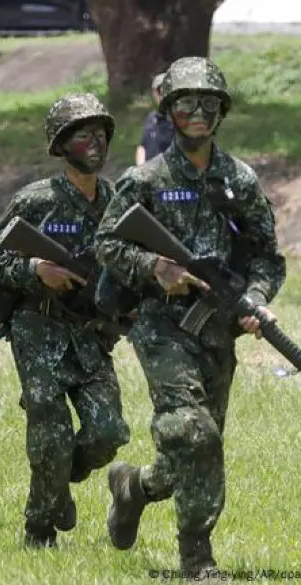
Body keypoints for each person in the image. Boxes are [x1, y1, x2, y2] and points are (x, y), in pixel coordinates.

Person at [95, 57, 286, 578]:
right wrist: (155, 267)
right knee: (194, 432)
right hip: (161, 326)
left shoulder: (238, 180)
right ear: (169, 112)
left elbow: (268, 256)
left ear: (220, 111)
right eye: (186, 104)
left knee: (194, 448)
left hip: (217, 328)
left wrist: (257, 297)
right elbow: (106, 242)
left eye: (208, 104)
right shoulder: (147, 179)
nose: (197, 113)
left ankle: (135, 486)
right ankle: (197, 560)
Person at [0, 93, 130, 547]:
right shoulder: (37, 199)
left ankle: (64, 476)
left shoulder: (118, 202)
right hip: (37, 328)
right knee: (49, 432)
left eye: (101, 135)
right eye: (83, 135)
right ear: (61, 144)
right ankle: (38, 530)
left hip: (90, 333)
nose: (95, 143)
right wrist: (34, 270)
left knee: (108, 432)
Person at [135, 72, 174, 165]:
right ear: (154, 94)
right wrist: (141, 167)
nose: (164, 95)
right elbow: (142, 146)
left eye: (168, 89)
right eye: (160, 90)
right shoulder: (152, 118)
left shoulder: (180, 120)